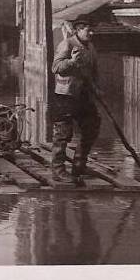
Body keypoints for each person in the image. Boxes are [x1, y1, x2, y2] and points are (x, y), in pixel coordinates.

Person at [50, 15, 101, 185]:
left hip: (84, 95)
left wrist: (97, 88)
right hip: (66, 95)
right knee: (63, 133)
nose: (91, 33)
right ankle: (58, 170)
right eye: (88, 30)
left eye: (92, 29)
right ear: (79, 29)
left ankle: (79, 164)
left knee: (92, 126)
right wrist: (71, 61)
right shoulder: (68, 44)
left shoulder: (91, 47)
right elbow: (56, 67)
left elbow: (94, 71)